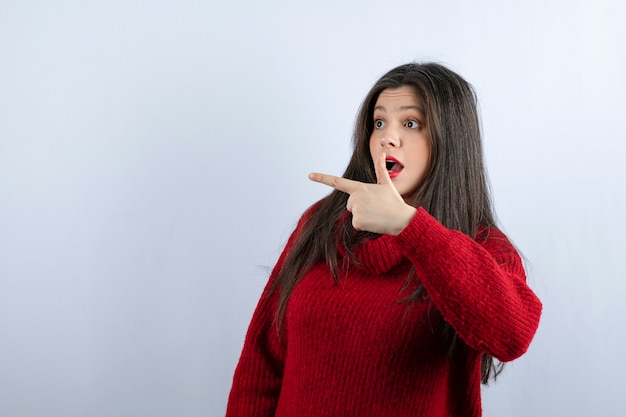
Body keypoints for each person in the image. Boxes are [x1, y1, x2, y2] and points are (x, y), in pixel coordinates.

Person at [225, 62, 542, 417]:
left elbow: (512, 335)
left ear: (450, 140)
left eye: (411, 123)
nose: (387, 137)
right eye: (379, 122)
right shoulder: (321, 223)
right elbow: (262, 364)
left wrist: (411, 228)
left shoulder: (485, 248)